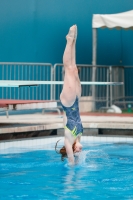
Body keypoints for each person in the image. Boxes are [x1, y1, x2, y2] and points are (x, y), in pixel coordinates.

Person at [55, 25, 83, 165]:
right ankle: (74, 40)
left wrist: (73, 161)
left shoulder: (69, 139)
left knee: (69, 69)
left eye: (77, 151)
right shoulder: (78, 137)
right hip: (76, 101)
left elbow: (71, 163)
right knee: (75, 69)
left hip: (69, 102)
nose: (80, 150)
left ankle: (69, 40)